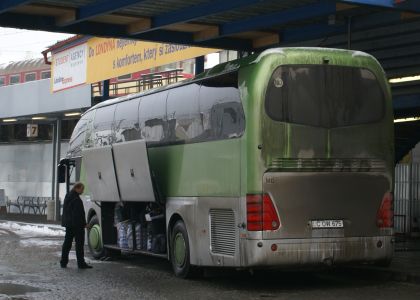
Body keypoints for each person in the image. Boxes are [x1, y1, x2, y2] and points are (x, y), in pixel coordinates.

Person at [60, 182, 92, 269]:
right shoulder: (76, 199)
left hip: (69, 224)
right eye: (82, 189)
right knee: (79, 245)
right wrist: (84, 224)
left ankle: (63, 262)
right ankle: (81, 264)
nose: (82, 191)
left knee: (67, 243)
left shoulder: (68, 196)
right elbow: (79, 214)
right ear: (77, 188)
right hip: (77, 225)